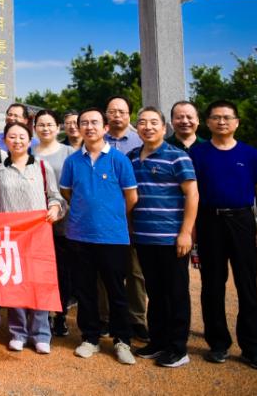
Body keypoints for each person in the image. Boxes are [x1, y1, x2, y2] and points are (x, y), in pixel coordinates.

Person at [188, 100, 257, 371]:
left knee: (247, 285)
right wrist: (191, 230)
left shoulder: (250, 153)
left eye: (227, 117)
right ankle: (218, 343)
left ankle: (252, 348)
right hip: (209, 221)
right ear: (207, 122)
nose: (221, 122)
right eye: (216, 117)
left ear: (236, 122)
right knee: (212, 284)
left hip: (242, 221)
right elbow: (191, 194)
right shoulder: (197, 154)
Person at [59, 108, 138, 364]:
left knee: (116, 291)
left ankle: (122, 340)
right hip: (79, 235)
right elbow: (67, 192)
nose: (89, 126)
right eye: (84, 122)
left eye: (94, 122)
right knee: (85, 290)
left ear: (105, 128)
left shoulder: (119, 160)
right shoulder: (72, 161)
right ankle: (90, 338)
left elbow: (131, 197)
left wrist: (110, 215)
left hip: (112, 237)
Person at [128, 106, 199, 368]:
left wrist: (186, 233)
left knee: (176, 293)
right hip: (144, 237)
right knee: (155, 292)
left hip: (171, 238)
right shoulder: (132, 157)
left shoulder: (177, 156)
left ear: (164, 127)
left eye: (153, 122)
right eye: (142, 122)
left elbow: (192, 194)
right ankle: (158, 341)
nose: (147, 127)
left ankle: (178, 348)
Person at [0, 122, 63, 354]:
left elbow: (55, 197)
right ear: (5, 141)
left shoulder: (41, 166)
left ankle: (41, 333)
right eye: (12, 137)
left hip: (38, 236)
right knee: (15, 283)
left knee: (39, 284)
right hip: (11, 238)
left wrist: (54, 208)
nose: (17, 141)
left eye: (22, 136)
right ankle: (18, 332)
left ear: (29, 140)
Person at [103, 95, 148, 341]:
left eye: (121, 111)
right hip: (103, 216)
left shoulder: (140, 140)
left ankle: (136, 318)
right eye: (112, 111)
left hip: (132, 214)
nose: (117, 115)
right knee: (104, 270)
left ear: (129, 114)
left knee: (134, 271)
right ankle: (105, 317)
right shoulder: (98, 139)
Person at [31, 109, 73, 337]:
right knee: (39, 272)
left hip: (62, 223)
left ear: (58, 127)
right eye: (41, 124)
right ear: (34, 128)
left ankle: (61, 315)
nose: (45, 128)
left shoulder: (69, 153)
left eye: (50, 124)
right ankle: (42, 313)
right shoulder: (27, 151)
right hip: (34, 226)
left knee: (62, 272)